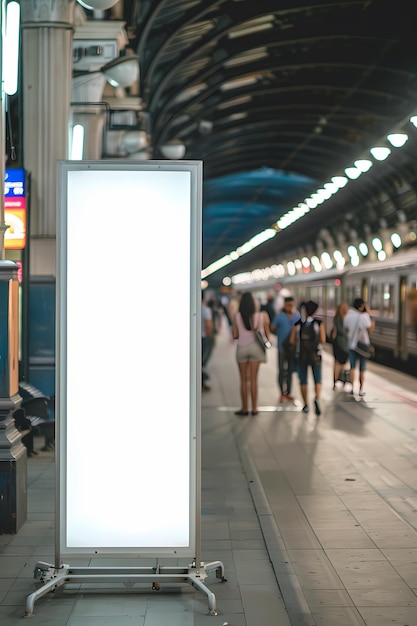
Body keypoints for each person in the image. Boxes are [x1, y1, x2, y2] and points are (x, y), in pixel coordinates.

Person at [232, 292, 271, 416]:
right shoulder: (262, 316)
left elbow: (235, 335)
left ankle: (244, 408)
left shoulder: (237, 316)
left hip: (242, 348)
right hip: (256, 349)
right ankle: (254, 408)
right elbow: (267, 335)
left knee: (243, 380)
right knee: (254, 379)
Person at [291, 300, 326, 415]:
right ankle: (317, 398)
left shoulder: (298, 324)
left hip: (302, 356)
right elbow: (323, 340)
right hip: (316, 355)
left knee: (303, 380)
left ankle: (305, 404)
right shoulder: (318, 323)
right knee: (318, 380)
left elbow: (292, 341)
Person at [271, 296, 300, 402]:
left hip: (292, 348)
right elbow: (272, 328)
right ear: (284, 305)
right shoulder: (279, 316)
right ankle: (281, 393)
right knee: (281, 369)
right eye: (288, 305)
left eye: (292, 305)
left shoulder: (297, 317)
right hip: (281, 347)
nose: (290, 307)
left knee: (290, 370)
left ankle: (288, 392)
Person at [344, 297, 375, 396]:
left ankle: (352, 388)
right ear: (361, 307)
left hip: (351, 345)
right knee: (362, 369)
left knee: (352, 367)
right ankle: (361, 390)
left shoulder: (348, 315)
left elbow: (346, 329)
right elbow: (369, 330)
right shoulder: (364, 316)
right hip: (362, 346)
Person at [330, 302, 349, 388]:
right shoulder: (343, 319)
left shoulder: (337, 318)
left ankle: (336, 380)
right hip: (342, 344)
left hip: (337, 343)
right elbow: (344, 332)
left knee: (337, 362)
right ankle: (340, 379)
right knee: (341, 363)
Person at [201, 292, 213, 391]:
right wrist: (209, 336)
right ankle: (202, 382)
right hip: (204, 337)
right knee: (202, 362)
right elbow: (208, 325)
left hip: (195, 338)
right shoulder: (205, 310)